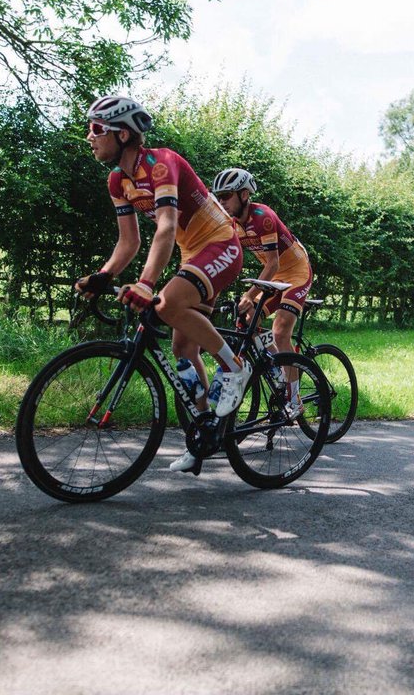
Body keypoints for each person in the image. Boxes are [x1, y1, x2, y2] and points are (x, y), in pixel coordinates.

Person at [73, 95, 249, 473]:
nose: (89, 136)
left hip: (221, 244)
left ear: (122, 134)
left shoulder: (161, 163)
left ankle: (236, 366)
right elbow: (129, 242)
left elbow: (166, 226)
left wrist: (147, 283)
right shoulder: (118, 180)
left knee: (168, 303)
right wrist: (105, 275)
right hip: (193, 254)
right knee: (183, 350)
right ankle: (204, 434)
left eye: (96, 129)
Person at [212, 167, 314, 417]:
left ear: (244, 194)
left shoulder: (262, 217)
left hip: (297, 272)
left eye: (226, 196)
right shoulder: (232, 224)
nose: (222, 201)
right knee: (248, 320)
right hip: (277, 278)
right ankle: (277, 365)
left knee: (280, 332)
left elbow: (273, 263)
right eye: (219, 197)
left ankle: (295, 399)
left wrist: (250, 294)